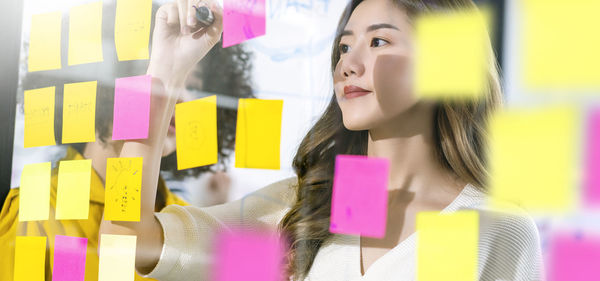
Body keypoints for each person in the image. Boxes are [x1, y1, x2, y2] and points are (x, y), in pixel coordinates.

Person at [100, 0, 543, 280]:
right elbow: (126, 238)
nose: (348, 64)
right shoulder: (306, 208)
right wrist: (161, 75)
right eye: (345, 47)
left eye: (379, 42)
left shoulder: (498, 230)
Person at [0, 25, 254, 281]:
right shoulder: (38, 208)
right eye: (157, 76)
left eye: (195, 86)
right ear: (101, 85)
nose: (181, 96)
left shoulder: (184, 222)